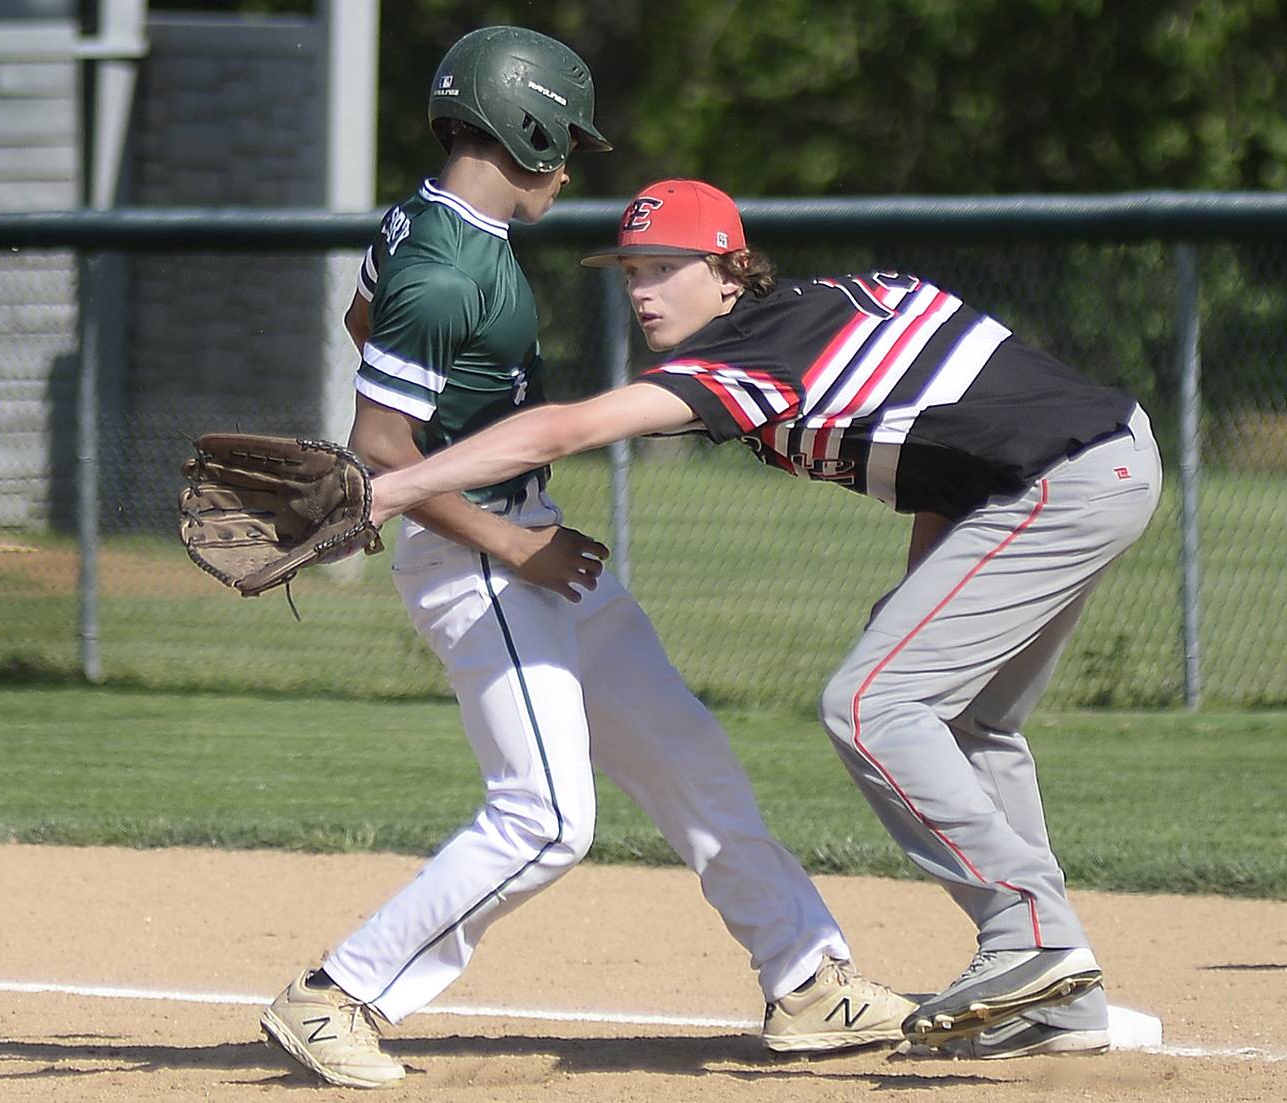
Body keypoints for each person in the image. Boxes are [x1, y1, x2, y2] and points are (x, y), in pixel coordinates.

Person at [366, 178, 1164, 1061]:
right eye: (631, 270)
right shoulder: (821, 311)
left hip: (1064, 479)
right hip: (1088, 465)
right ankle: (1059, 1000)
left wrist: (393, 487)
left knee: (867, 704)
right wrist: (917, 601)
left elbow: (569, 428)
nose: (641, 291)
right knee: (962, 716)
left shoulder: (758, 351)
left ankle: (1032, 941)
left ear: (729, 270)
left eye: (666, 268)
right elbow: (954, 454)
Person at [260, 34, 913, 1090]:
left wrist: (515, 509)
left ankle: (808, 979)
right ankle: (336, 994)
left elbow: (360, 320)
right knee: (549, 817)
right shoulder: (444, 261)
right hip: (482, 558)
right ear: (521, 127)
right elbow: (381, 446)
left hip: (528, 540)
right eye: (561, 141)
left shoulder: (427, 221)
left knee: (688, 750)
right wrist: (516, 540)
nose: (568, 166)